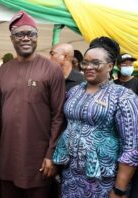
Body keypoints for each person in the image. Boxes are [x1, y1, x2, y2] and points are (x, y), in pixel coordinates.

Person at [53, 36, 138, 198]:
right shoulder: (74, 92)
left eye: (96, 63)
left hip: (103, 181)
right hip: (70, 175)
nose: (89, 67)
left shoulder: (123, 97)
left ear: (110, 66)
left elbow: (131, 148)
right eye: (85, 62)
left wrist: (119, 190)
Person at [0, 10, 66, 198]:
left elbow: (58, 116)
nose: (25, 38)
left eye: (31, 34)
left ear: (36, 37)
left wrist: (51, 155)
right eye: (20, 34)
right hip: (8, 158)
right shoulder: (2, 72)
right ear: (12, 39)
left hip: (39, 159)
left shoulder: (52, 70)